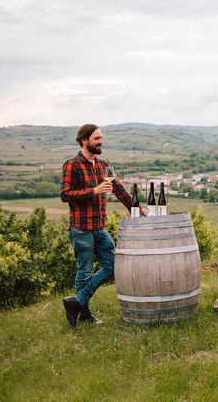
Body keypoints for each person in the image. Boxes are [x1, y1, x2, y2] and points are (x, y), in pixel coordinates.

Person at [60, 123, 145, 326]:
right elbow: (65, 194)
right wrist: (94, 191)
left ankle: (77, 301)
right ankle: (85, 315)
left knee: (113, 265)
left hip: (99, 227)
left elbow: (118, 189)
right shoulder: (72, 164)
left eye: (101, 138)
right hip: (81, 228)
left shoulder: (102, 164)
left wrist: (136, 207)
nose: (100, 141)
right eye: (96, 138)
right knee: (85, 271)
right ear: (84, 140)